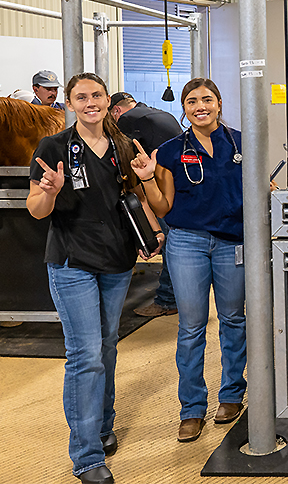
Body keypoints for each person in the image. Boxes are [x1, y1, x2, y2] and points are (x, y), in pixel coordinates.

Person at [27, 73, 164, 484]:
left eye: (98, 95)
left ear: (109, 101)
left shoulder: (122, 146)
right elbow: (36, 208)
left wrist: (153, 226)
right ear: (69, 103)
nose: (91, 102)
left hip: (118, 261)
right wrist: (49, 191)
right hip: (72, 262)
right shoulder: (52, 148)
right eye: (81, 96)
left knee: (106, 349)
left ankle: (102, 428)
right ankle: (87, 456)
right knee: (85, 355)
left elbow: (134, 199)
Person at [130, 78, 247, 443]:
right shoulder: (168, 151)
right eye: (192, 101)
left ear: (219, 102)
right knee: (192, 327)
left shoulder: (243, 142)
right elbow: (162, 205)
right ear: (184, 107)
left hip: (233, 243)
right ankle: (192, 408)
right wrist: (148, 179)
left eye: (207, 99)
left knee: (233, 319)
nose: (200, 106)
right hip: (187, 244)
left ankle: (231, 395)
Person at [109, 91, 182, 317]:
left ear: (116, 111)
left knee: (169, 243)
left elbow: (123, 159)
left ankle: (167, 300)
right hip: (179, 185)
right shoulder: (161, 114)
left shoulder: (128, 120)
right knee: (175, 243)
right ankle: (176, 298)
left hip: (160, 189)